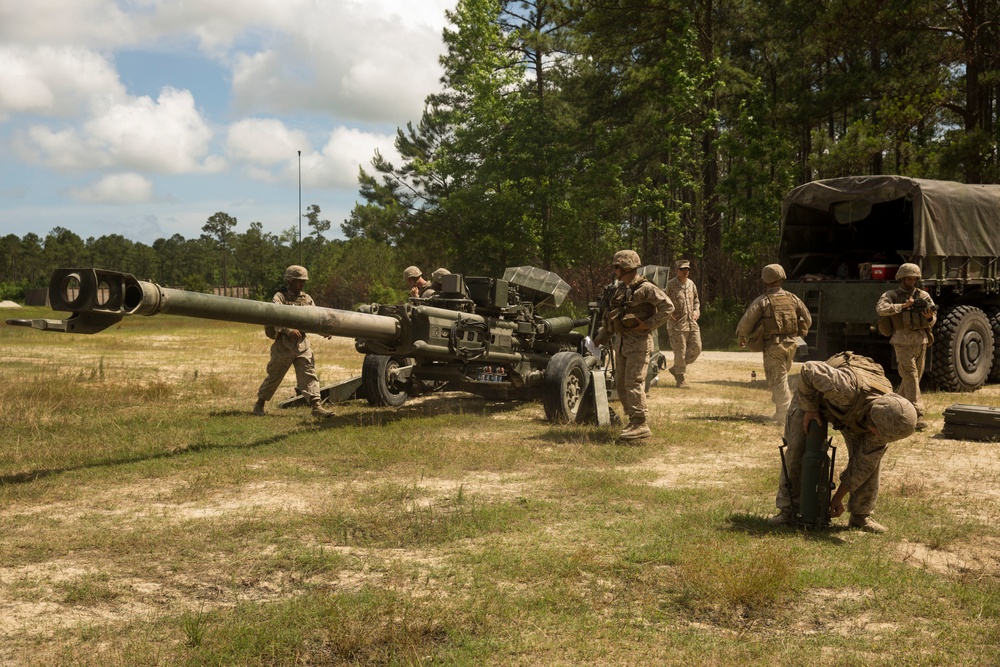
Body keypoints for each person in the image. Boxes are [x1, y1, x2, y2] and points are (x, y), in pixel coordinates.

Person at [768, 352, 917, 533]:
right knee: (797, 447)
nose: (879, 436)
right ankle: (788, 511)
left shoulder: (885, 422)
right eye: (879, 432)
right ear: (873, 419)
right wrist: (810, 408)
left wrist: (838, 498)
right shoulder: (846, 388)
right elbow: (809, 370)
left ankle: (861, 515)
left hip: (854, 412)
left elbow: (862, 465)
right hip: (816, 394)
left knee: (872, 462)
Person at [595, 250, 674, 440]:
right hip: (621, 345)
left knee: (633, 382)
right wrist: (599, 340)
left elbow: (668, 307)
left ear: (626, 267)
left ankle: (640, 423)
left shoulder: (646, 288)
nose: (614, 271)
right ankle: (633, 421)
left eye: (616, 267)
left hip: (639, 344)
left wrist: (648, 324)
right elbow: (614, 319)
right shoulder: (621, 290)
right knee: (621, 385)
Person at [253, 265, 333, 418]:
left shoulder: (307, 299)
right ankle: (260, 403)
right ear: (289, 280)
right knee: (275, 375)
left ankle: (316, 406)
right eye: (298, 281)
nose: (301, 284)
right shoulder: (280, 297)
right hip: (283, 345)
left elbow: (315, 318)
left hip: (302, 345)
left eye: (303, 282)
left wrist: (325, 331)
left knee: (309, 374)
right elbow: (275, 316)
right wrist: (288, 331)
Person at [736, 263, 812, 423]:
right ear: (782, 277)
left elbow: (747, 321)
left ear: (765, 280)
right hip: (792, 344)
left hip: (774, 345)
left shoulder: (763, 301)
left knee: (778, 379)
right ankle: (781, 411)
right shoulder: (793, 298)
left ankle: (785, 415)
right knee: (781, 377)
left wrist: (742, 335)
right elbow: (808, 319)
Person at [875, 263, 936, 430]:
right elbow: (881, 309)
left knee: (913, 379)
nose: (912, 281)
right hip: (902, 341)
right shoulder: (892, 295)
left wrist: (930, 318)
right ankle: (917, 413)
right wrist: (903, 306)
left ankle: (893, 406)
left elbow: (933, 316)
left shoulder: (922, 295)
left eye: (915, 278)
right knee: (910, 376)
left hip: (921, 340)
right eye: (909, 278)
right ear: (902, 278)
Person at [664, 259, 701, 388]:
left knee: (697, 348)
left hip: (691, 322)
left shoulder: (691, 284)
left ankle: (676, 368)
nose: (686, 271)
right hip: (677, 326)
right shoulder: (671, 285)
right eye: (683, 269)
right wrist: (670, 314)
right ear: (676, 271)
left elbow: (696, 300)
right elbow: (662, 302)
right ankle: (680, 379)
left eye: (687, 269)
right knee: (679, 352)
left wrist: (696, 311)